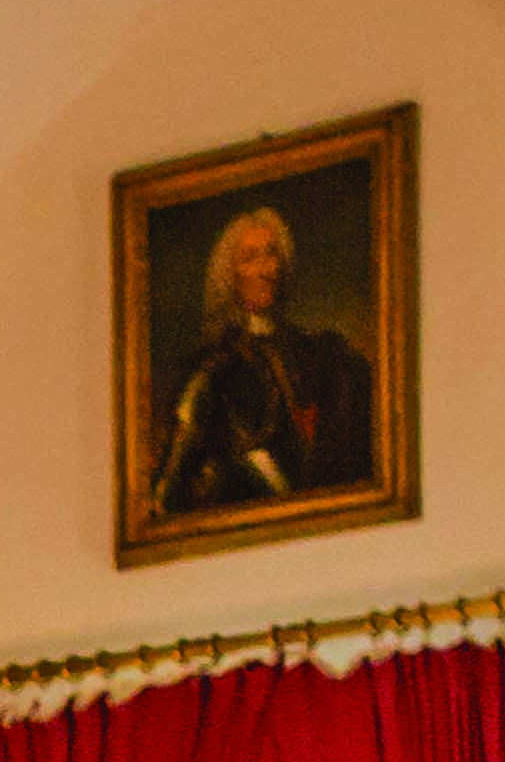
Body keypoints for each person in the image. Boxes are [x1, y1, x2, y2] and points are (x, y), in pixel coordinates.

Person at [150, 201, 380, 526]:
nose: (265, 270)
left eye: (271, 254)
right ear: (230, 275)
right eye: (250, 258)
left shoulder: (317, 350)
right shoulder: (214, 372)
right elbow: (169, 494)